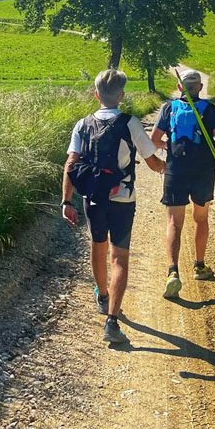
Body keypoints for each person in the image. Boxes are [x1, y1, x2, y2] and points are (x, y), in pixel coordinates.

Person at [61, 69, 165, 344]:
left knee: (98, 245)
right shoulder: (130, 124)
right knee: (119, 257)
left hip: (92, 197)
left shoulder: (82, 125)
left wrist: (66, 201)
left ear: (96, 95)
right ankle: (112, 321)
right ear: (121, 95)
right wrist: (169, 167)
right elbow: (153, 162)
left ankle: (102, 295)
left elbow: (70, 165)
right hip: (123, 199)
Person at [150, 69, 215, 298]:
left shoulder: (169, 108)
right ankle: (199, 266)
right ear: (199, 87)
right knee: (201, 218)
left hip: (175, 171)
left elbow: (155, 140)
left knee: (174, 223)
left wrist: (170, 150)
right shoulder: (211, 110)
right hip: (203, 172)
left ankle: (172, 273)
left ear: (180, 88)